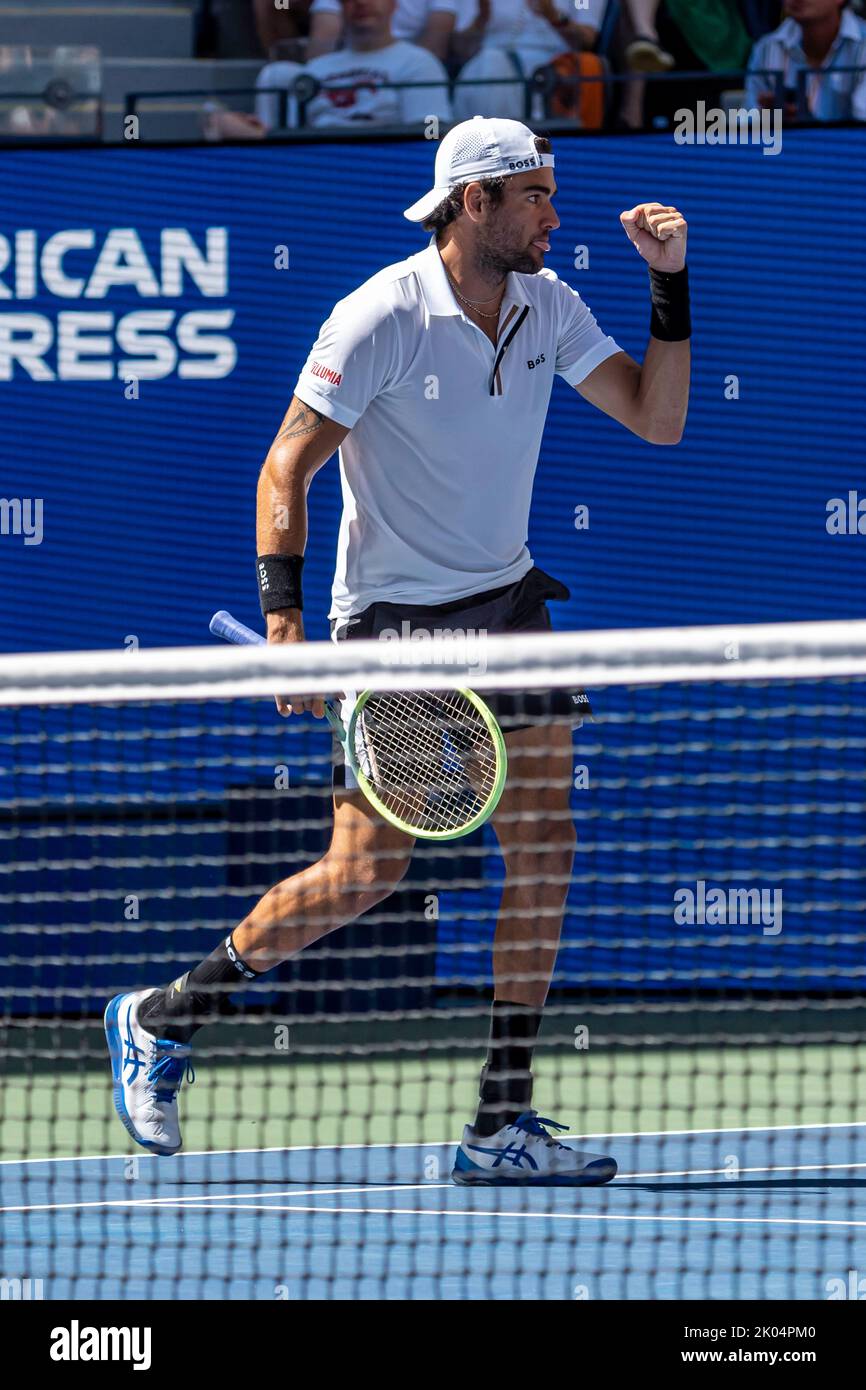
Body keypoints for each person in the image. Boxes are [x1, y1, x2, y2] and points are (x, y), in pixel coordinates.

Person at [105, 115, 690, 1186]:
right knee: (367, 872)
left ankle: (497, 1122)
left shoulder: (547, 306)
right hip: (393, 627)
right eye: (534, 195)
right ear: (474, 203)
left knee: (546, 846)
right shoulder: (380, 314)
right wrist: (284, 630)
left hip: (507, 607)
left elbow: (657, 423)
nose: (554, 214)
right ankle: (162, 1016)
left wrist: (670, 285)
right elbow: (284, 469)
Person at [207, 0, 452, 134]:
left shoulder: (419, 64)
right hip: (314, 167)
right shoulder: (314, 70)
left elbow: (424, 142)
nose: (360, 3)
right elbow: (291, 137)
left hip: (382, 170)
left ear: (393, 5)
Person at [451, 0, 606, 120]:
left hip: (552, 71)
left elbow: (587, 41)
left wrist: (553, 16)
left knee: (491, 65)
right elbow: (459, 49)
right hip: (484, 64)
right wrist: (481, 19)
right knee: (490, 63)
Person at [745, 0, 866, 121]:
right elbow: (750, 127)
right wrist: (769, 121)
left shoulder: (862, 46)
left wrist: (804, 127)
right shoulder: (766, 49)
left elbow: (861, 127)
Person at [308, 0, 460, 62]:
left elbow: (435, 45)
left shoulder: (419, 64)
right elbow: (320, 48)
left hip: (409, 66)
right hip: (348, 60)